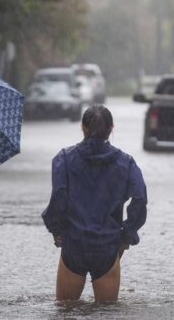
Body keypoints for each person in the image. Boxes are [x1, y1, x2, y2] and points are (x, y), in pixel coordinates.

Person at [42, 105, 147, 302]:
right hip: (107, 246)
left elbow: (58, 198)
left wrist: (56, 229)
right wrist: (126, 235)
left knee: (66, 312)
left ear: (82, 127)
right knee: (106, 314)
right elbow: (140, 199)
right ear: (111, 129)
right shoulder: (127, 163)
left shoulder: (64, 159)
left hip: (73, 244)